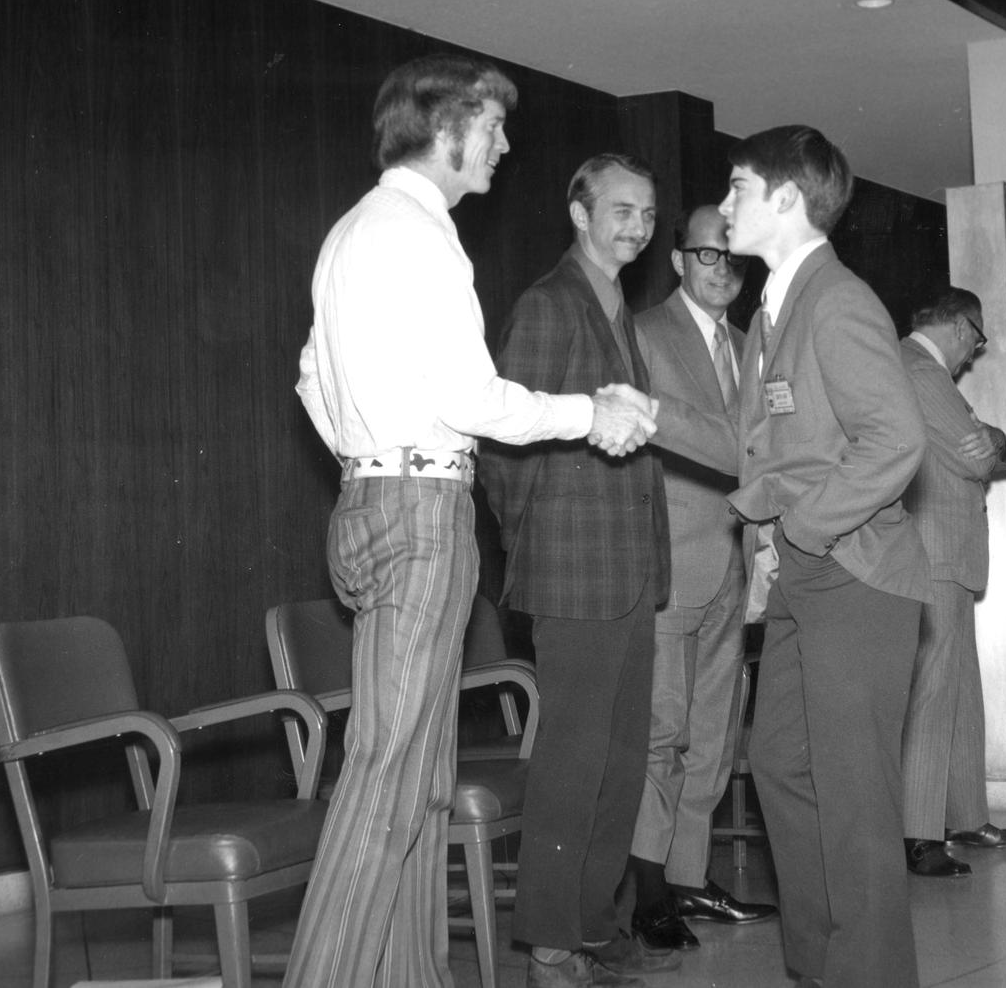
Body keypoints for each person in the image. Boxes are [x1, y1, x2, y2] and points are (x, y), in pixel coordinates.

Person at [287, 56, 656, 988]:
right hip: (419, 510)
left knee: (414, 779)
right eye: (491, 127)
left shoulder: (353, 232)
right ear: (445, 130)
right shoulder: (420, 232)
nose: (502, 144)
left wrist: (369, 456)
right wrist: (586, 414)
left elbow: (307, 376)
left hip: (377, 498)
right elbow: (471, 397)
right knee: (388, 776)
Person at [649, 125, 931, 988]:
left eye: (736, 188)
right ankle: (822, 967)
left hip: (856, 574)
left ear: (784, 200)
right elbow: (753, 447)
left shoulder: (836, 302)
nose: (725, 206)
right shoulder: (778, 308)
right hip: (812, 577)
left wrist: (801, 530)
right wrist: (650, 415)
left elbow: (896, 441)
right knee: (779, 764)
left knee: (854, 802)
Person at [480, 153, 677, 988]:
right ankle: (550, 946)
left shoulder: (618, 307)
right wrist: (538, 543)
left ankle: (596, 924)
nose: (635, 224)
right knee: (572, 762)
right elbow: (503, 448)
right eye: (620, 209)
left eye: (646, 213)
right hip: (573, 573)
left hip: (630, 572)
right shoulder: (548, 302)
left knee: (621, 761)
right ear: (579, 210)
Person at [627, 206, 776, 952]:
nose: (724, 273)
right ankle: (649, 888)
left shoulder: (752, 347)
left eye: (735, 262)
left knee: (715, 730)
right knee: (663, 727)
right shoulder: (643, 334)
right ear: (679, 260)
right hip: (670, 561)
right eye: (710, 258)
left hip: (735, 560)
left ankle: (690, 875)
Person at [899, 286, 1006, 878]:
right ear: (959, 325)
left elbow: (995, 449)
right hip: (934, 552)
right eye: (976, 339)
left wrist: (995, 438)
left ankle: (967, 815)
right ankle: (920, 834)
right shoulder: (920, 372)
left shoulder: (926, 374)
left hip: (949, 554)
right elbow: (979, 459)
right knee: (933, 691)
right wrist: (992, 441)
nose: (975, 353)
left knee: (961, 690)